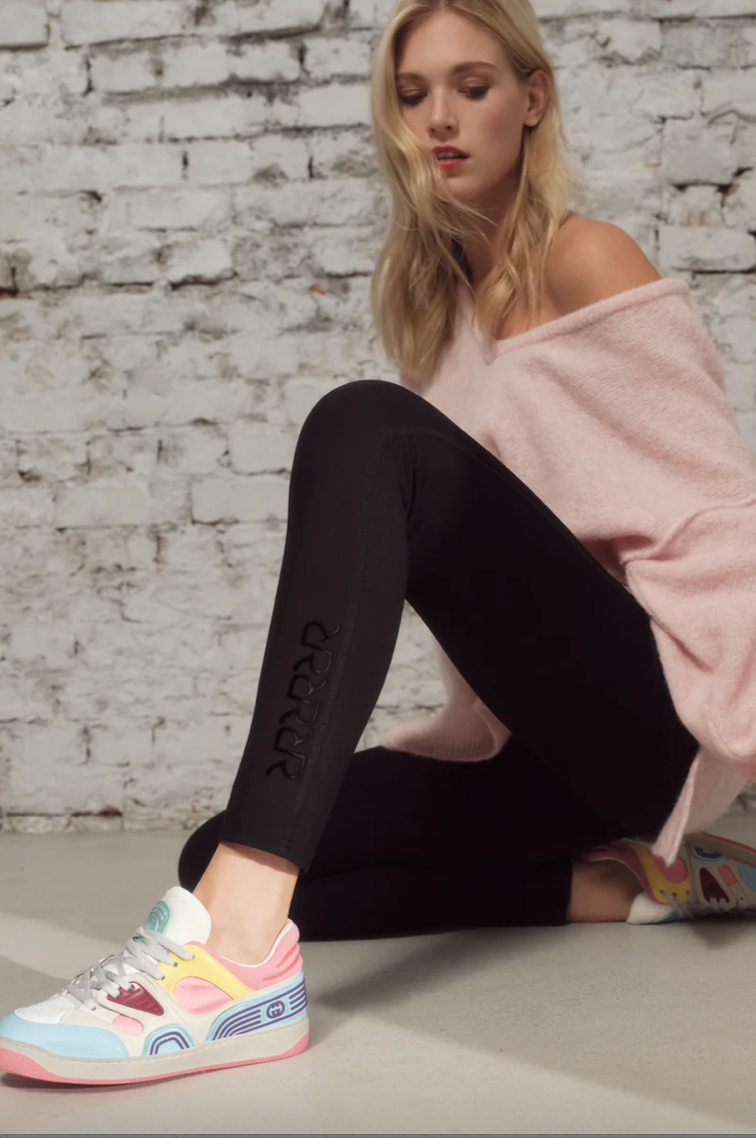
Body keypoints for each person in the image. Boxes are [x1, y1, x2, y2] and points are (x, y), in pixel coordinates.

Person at [4, 0, 756, 1088]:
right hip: (540, 747)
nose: (438, 119)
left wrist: (731, 729)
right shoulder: (437, 318)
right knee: (215, 851)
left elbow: (722, 517)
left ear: (532, 100)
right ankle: (629, 886)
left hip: (656, 713)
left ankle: (233, 967)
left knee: (366, 426)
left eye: (472, 87)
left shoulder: (589, 258)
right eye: (412, 96)